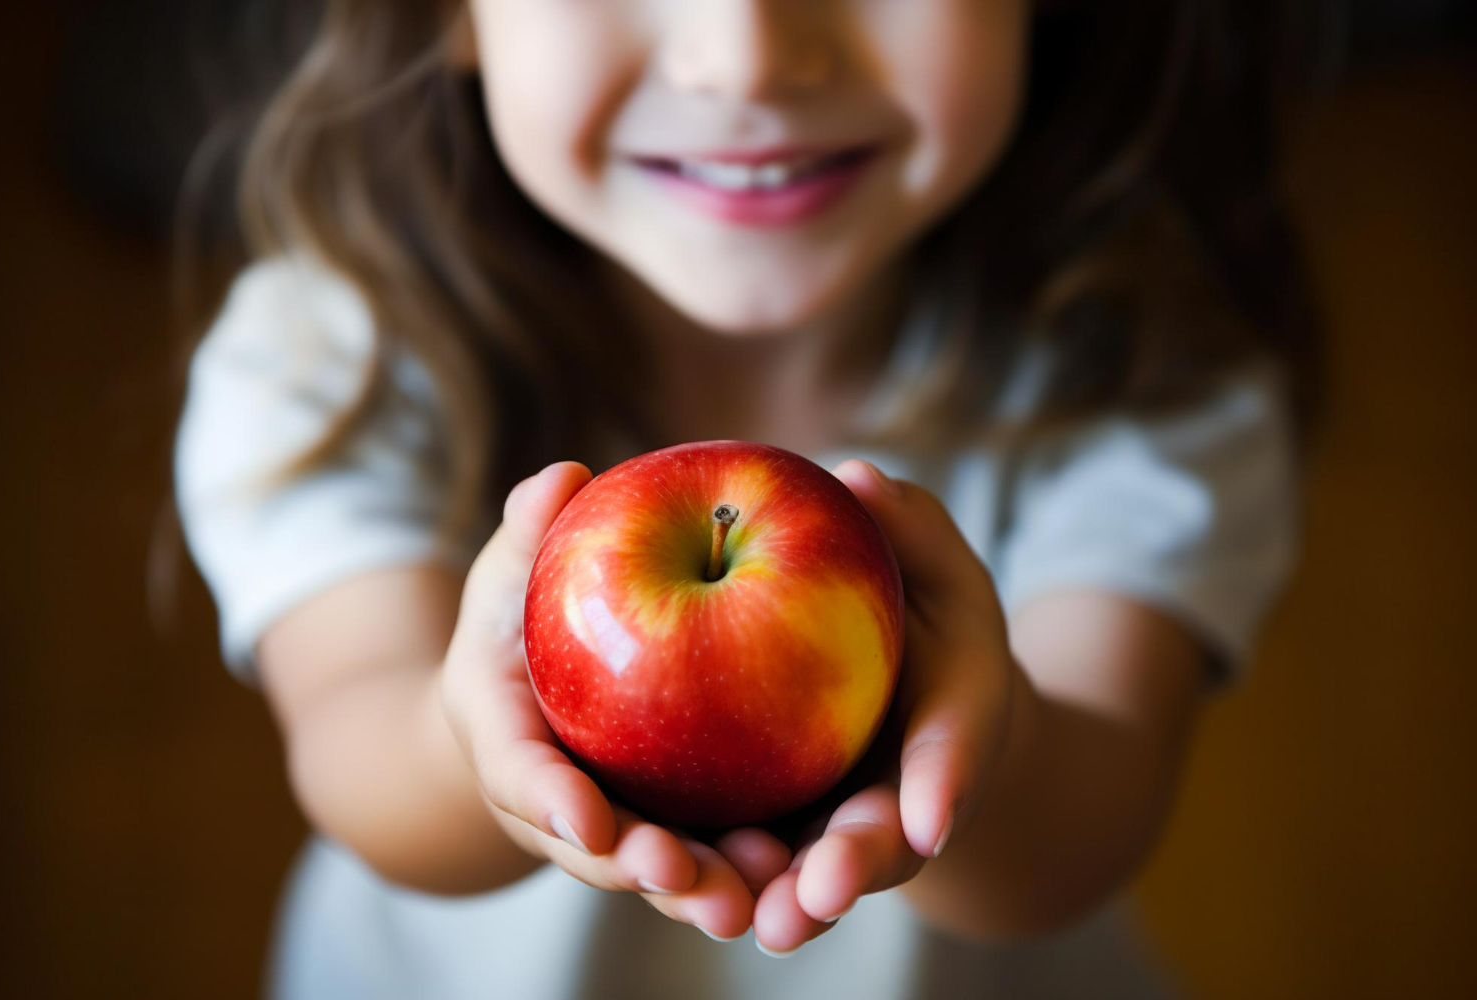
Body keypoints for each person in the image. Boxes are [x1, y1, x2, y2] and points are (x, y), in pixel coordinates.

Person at [173, 1, 1315, 996]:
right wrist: (472, 743)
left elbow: (1083, 828)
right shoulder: (332, 361)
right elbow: (354, 742)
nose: (746, 58)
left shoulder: (1136, 370)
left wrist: (975, 755)